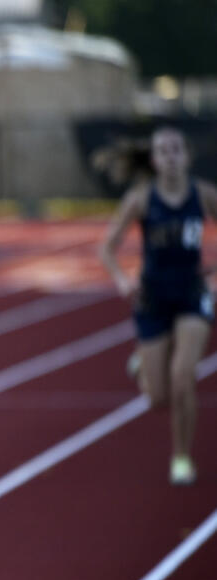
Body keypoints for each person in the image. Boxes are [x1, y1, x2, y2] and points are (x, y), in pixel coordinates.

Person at [98, 126, 217, 485]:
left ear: (187, 156)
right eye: (163, 151)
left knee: (184, 380)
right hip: (153, 297)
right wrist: (122, 278)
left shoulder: (205, 194)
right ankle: (143, 367)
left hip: (192, 294)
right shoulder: (142, 199)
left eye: (176, 149)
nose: (170, 157)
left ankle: (181, 456)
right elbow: (107, 248)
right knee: (158, 399)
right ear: (153, 160)